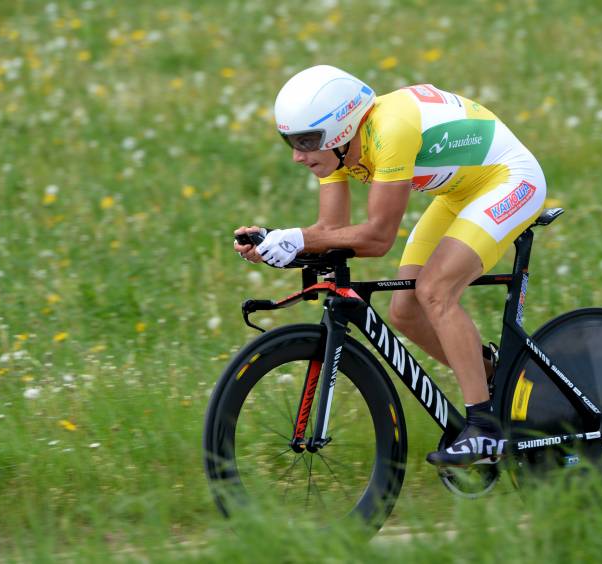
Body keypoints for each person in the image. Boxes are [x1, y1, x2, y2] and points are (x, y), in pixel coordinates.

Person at [234, 65, 547, 466]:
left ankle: (484, 429)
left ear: (341, 130)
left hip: (510, 179)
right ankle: (495, 379)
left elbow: (378, 237)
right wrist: (277, 242)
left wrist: (297, 239)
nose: (298, 155)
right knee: (405, 310)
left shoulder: (390, 130)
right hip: (460, 193)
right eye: (290, 141)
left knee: (434, 290)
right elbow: (331, 230)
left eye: (307, 141)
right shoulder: (336, 152)